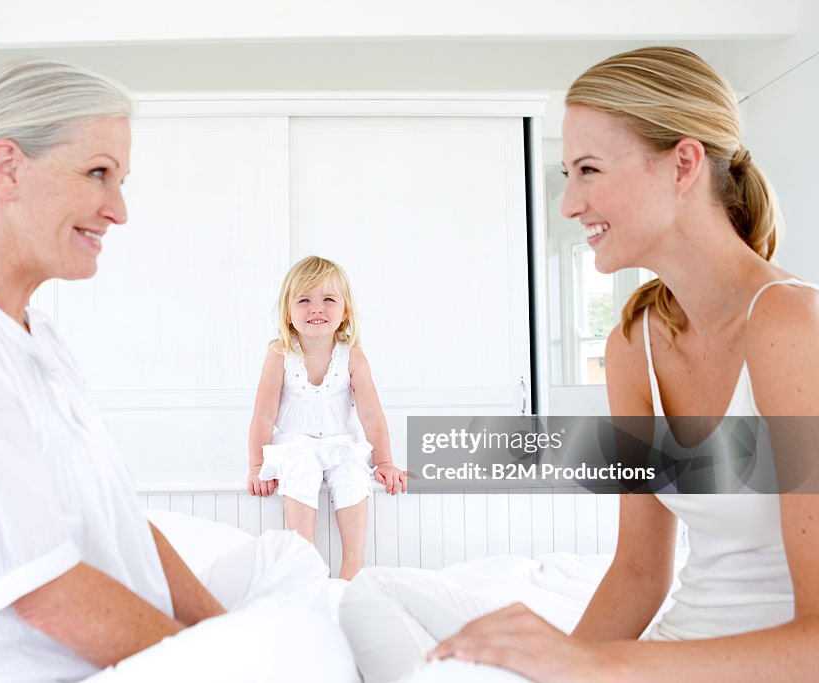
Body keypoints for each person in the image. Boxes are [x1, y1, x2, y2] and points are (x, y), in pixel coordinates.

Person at [0, 59, 355, 683]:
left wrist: (222, 635)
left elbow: (120, 519)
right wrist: (216, 663)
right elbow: (42, 589)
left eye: (120, 180)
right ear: (8, 168)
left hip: (89, 653)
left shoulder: (38, 335)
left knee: (301, 598)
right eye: (99, 174)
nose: (119, 210)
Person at [342, 46, 819, 682]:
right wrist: (559, 671)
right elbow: (639, 572)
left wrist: (599, 669)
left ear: (683, 164)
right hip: (660, 655)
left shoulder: (791, 326)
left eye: (588, 169)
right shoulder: (636, 345)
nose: (568, 204)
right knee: (372, 602)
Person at [247, 255, 409, 579]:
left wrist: (385, 461)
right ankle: (305, 564)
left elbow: (372, 416)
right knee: (300, 471)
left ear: (344, 310)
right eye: (304, 300)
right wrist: (256, 467)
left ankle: (352, 566)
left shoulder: (352, 356)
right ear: (288, 313)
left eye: (328, 300)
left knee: (352, 476)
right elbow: (263, 415)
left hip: (341, 443)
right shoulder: (280, 354)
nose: (316, 308)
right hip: (295, 444)